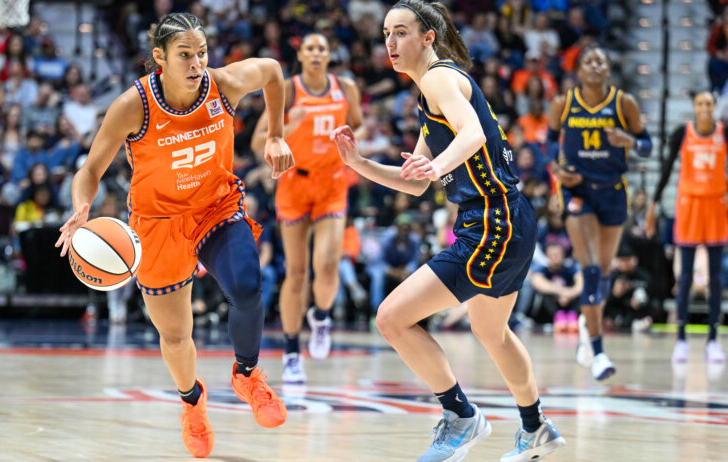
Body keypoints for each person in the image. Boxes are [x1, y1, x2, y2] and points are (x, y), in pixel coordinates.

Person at [331, 2, 566, 461]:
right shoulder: (430, 92)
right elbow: (416, 184)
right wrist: (359, 164)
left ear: (427, 38)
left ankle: (460, 416)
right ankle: (535, 427)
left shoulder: (439, 77)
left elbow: (473, 134)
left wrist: (437, 165)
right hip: (511, 219)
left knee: (391, 317)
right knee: (491, 332)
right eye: (386, 34)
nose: (390, 43)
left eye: (401, 32)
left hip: (492, 224)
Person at [55, 13, 294, 459]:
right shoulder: (132, 106)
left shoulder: (223, 85)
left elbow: (274, 73)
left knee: (246, 286)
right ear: (159, 58)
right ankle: (192, 402)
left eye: (201, 53)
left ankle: (247, 375)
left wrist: (276, 135)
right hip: (156, 223)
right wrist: (81, 208)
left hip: (215, 206)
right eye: (185, 55)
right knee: (177, 335)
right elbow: (89, 171)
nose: (197, 63)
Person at [251, 32, 364, 383]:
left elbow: (356, 123)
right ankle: (290, 352)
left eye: (323, 48)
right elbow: (258, 142)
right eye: (310, 48)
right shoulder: (286, 89)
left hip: (331, 180)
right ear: (300, 54)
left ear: (329, 56)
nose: (316, 53)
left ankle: (322, 315)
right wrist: (287, 126)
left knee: (328, 264)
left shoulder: (345, 87)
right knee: (297, 273)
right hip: (294, 181)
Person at [547, 45, 652, 381]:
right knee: (590, 267)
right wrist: (558, 170)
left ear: (608, 69)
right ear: (579, 70)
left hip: (613, 191)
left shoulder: (624, 104)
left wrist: (629, 142)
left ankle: (584, 324)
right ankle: (598, 351)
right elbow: (550, 143)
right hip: (578, 191)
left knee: (603, 273)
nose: (594, 65)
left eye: (600, 61)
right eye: (588, 61)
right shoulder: (563, 103)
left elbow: (647, 144)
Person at [645, 90, 726, 363]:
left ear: (714, 107)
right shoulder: (683, 132)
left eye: (708, 104)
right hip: (689, 206)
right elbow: (667, 169)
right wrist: (654, 205)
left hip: (716, 205)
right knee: (686, 277)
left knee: (715, 278)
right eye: (700, 103)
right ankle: (681, 339)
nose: (704, 107)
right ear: (694, 106)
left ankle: (713, 341)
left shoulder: (724, 133)